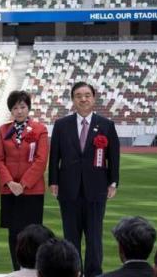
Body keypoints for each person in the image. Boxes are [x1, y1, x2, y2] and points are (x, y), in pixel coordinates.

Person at [49, 82, 121, 277]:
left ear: (94, 98)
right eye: (79, 95)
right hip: (68, 189)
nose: (83, 99)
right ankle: (72, 271)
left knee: (94, 237)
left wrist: (113, 181)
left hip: (96, 189)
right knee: (70, 237)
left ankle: (94, 273)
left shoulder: (106, 125)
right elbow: (54, 155)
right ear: (73, 99)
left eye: (87, 95)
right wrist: (53, 181)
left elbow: (113, 156)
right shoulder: (61, 125)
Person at [0, 91, 49, 270]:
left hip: (32, 191)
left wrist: (23, 184)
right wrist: (10, 183)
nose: (19, 111)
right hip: (10, 191)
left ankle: (34, 270)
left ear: (28, 108)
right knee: (14, 234)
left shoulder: (40, 129)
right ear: (11, 110)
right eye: (15, 107)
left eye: (22, 107)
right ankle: (17, 270)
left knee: (34, 235)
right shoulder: (4, 130)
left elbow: (41, 160)